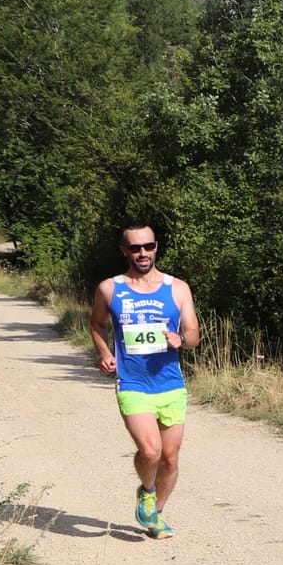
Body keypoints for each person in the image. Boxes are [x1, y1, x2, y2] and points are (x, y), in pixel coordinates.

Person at [90, 224, 199, 539]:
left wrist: (181, 339)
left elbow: (193, 334)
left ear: (156, 247)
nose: (142, 253)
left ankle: (156, 514)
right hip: (133, 383)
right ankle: (147, 490)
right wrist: (105, 353)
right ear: (124, 250)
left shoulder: (178, 288)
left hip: (171, 384)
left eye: (148, 246)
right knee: (151, 451)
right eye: (135, 248)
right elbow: (96, 324)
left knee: (170, 458)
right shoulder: (110, 288)